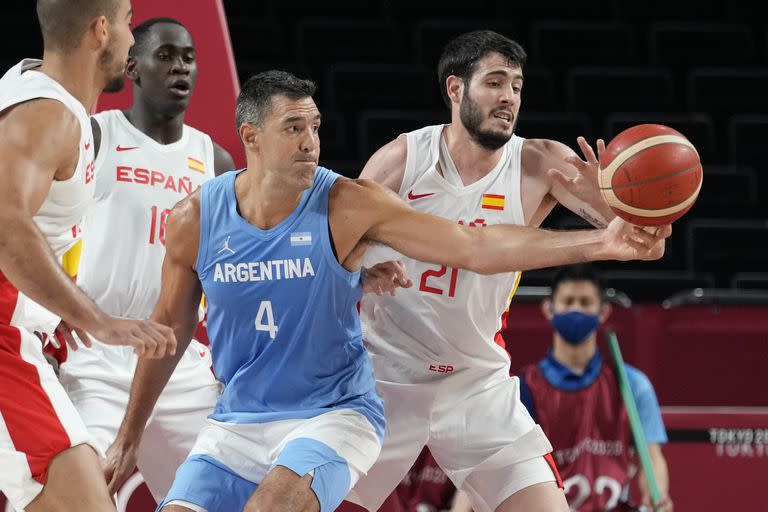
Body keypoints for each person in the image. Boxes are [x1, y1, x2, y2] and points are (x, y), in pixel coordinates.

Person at [103, 69, 669, 512]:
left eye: (315, 127)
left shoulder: (347, 203)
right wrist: (129, 433)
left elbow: (472, 247)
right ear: (250, 137)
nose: (311, 142)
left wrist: (599, 243)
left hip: (359, 406)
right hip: (254, 415)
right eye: (293, 129)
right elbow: (171, 331)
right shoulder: (197, 218)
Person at [348, 30, 658, 512]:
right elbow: (332, 257)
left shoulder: (540, 164)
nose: (508, 97)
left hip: (475, 383)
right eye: (494, 82)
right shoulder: (401, 161)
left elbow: (644, 245)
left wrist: (644, 214)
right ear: (455, 89)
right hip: (382, 376)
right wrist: (359, 275)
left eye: (516, 85)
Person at [0, 1, 177, 511]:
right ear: (101, 30)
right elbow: (7, 226)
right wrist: (95, 318)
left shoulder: (37, 94)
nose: (131, 36)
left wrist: (58, 302)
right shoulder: (48, 115)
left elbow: (33, 227)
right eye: (126, 20)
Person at [52, 17, 234, 503]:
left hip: (177, 358)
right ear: (132, 67)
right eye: (166, 56)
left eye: (189, 58)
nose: (180, 68)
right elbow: (39, 229)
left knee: (225, 495)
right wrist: (50, 314)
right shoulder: (94, 135)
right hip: (98, 353)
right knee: (79, 495)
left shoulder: (214, 160)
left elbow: (235, 262)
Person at [517, 265, 671, 512]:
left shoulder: (633, 384)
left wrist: (658, 496)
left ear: (603, 311)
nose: (576, 309)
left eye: (586, 302)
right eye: (568, 301)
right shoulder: (524, 389)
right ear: (549, 309)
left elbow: (651, 458)